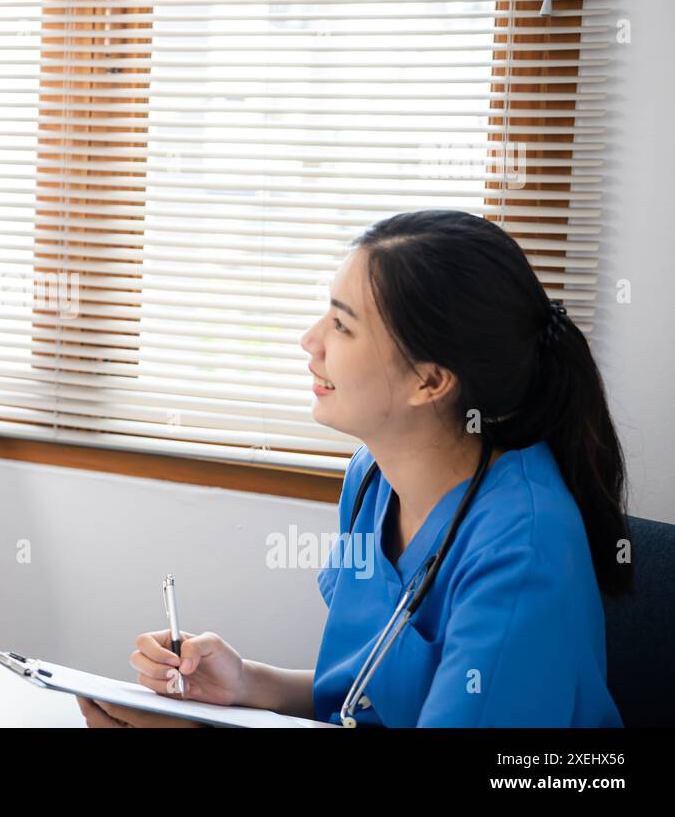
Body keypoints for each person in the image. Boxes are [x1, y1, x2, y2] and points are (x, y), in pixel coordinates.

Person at [79, 210, 630, 727]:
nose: (310, 341)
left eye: (342, 326)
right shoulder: (371, 478)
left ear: (429, 381)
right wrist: (245, 685)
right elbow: (368, 695)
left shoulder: (523, 547)